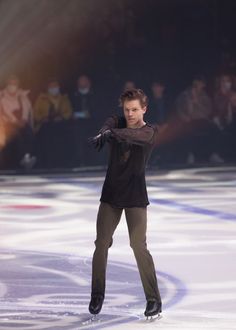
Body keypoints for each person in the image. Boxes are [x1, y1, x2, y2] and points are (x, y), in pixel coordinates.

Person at [88, 88, 162, 318]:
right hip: (111, 194)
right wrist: (104, 132)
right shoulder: (116, 122)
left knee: (138, 245)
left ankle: (153, 300)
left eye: (134, 110)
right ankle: (97, 294)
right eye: (127, 110)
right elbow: (109, 123)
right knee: (101, 243)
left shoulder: (149, 131)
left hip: (135, 195)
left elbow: (134, 136)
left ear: (144, 109)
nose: (130, 114)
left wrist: (111, 134)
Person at [33, 78, 73, 168]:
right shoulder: (41, 98)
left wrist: (62, 117)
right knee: (46, 141)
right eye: (51, 87)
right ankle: (47, 163)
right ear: (48, 88)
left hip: (60, 125)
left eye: (55, 86)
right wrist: (42, 118)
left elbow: (69, 112)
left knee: (62, 140)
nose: (54, 88)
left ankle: (61, 163)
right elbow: (36, 113)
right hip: (45, 125)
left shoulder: (64, 98)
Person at [0, 75, 35, 169]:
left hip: (21, 122)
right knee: (16, 135)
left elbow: (27, 110)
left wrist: (23, 120)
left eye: (14, 84)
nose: (12, 86)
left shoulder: (22, 96)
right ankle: (23, 159)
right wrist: (15, 121)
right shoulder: (1, 96)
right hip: (6, 124)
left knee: (29, 133)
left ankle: (28, 157)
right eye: (10, 84)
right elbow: (3, 112)